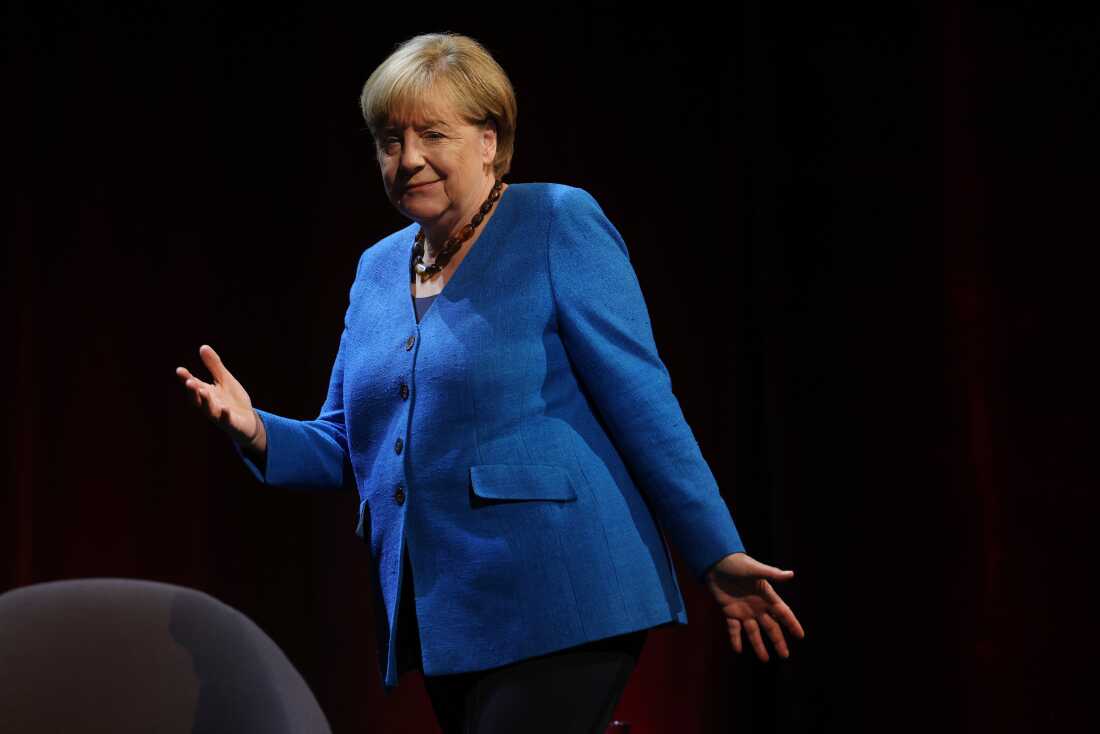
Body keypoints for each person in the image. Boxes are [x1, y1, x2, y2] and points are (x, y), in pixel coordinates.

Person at [176, 32, 805, 733]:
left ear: (488, 139)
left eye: (431, 134)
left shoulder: (556, 223)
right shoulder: (377, 270)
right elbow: (347, 445)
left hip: (562, 591)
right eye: (389, 139)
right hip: (449, 611)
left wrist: (715, 551)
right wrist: (254, 426)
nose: (407, 157)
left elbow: (643, 402)